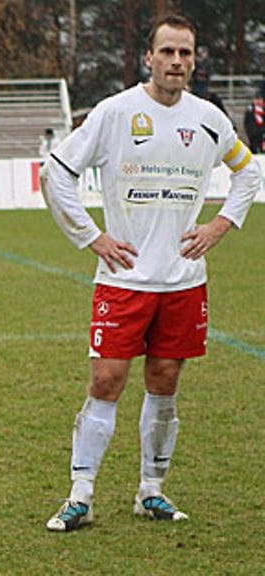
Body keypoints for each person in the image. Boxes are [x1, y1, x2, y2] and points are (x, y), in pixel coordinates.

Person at [40, 15, 262, 533]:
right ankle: (80, 495)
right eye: (167, 51)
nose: (176, 61)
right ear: (149, 58)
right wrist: (92, 237)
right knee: (106, 380)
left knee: (164, 383)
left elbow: (248, 171)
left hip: (183, 281)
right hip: (123, 280)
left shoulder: (209, 119)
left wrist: (221, 225)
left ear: (194, 60)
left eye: (185, 53)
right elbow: (56, 172)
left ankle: (151, 491)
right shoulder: (115, 113)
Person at [244, 79, 264, 154]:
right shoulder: (250, 111)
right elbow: (248, 124)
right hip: (254, 139)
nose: (258, 101)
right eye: (256, 99)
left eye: (260, 99)